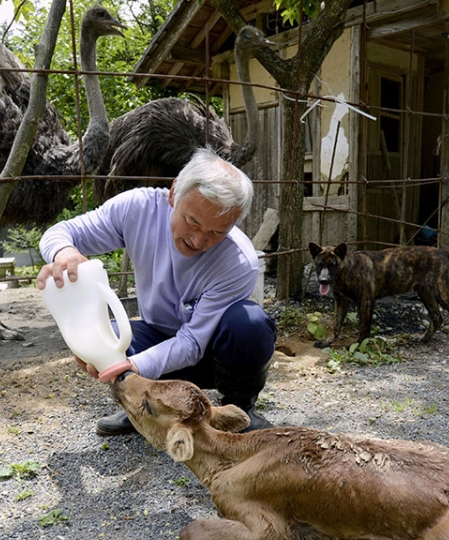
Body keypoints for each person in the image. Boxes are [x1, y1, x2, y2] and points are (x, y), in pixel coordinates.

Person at [37, 147, 277, 435]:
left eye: (217, 233)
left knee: (250, 324)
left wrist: (131, 368)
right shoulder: (137, 209)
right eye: (193, 221)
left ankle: (239, 409)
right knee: (108, 335)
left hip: (214, 354)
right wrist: (64, 253)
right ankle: (141, 407)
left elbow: (191, 344)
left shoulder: (239, 262)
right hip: (156, 334)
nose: (199, 240)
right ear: (174, 193)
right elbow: (59, 233)